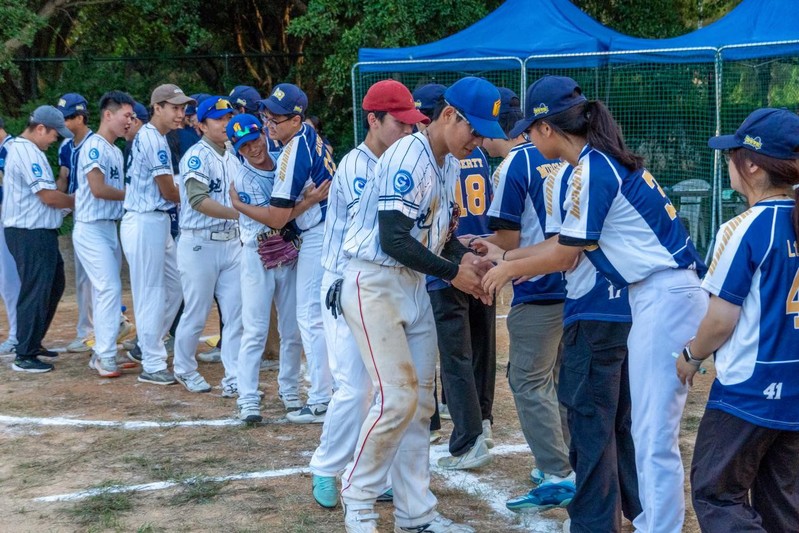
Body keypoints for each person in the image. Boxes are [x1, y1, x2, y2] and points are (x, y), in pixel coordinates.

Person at [479, 75, 707, 533]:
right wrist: (506, 258)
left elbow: (566, 255)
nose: (527, 138)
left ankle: (657, 526)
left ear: (547, 128)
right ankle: (650, 521)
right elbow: (568, 243)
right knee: (644, 430)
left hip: (664, 293)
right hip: (654, 294)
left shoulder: (590, 168)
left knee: (652, 434)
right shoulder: (595, 162)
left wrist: (506, 269)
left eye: (531, 129)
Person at [337, 76, 502, 533]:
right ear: (448, 115)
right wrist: (453, 273)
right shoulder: (409, 154)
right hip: (374, 281)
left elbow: (435, 237)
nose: (478, 141)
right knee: (396, 399)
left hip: (412, 282)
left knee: (420, 406)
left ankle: (416, 516)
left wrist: (464, 258)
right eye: (473, 129)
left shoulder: (448, 161)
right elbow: (392, 238)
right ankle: (358, 496)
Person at [677, 108, 799, 533]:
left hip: (750, 389)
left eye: (733, 154)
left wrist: (691, 355)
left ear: (751, 165)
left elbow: (720, 320)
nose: (728, 162)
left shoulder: (746, 227)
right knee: (782, 504)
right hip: (794, 387)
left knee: (716, 493)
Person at [309, 79, 428, 508]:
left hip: (384, 282)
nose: (408, 130)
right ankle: (326, 467)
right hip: (345, 278)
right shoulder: (357, 165)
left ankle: (372, 476)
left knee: (387, 386)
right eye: (399, 123)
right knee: (354, 385)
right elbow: (370, 236)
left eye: (412, 123)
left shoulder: (403, 159)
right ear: (373, 120)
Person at [480, 85, 575, 511]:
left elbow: (507, 240)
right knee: (558, 379)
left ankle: (557, 471)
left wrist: (476, 246)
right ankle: (569, 460)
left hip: (539, 285)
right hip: (576, 285)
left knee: (528, 380)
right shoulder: (571, 156)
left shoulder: (514, 164)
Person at [414, 82, 498, 471]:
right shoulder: (466, 155)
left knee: (454, 355)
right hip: (477, 253)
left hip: (449, 264)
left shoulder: (442, 155)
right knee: (479, 349)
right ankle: (481, 422)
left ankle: (463, 434)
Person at [227, 113, 323, 421]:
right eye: (244, 146)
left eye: (254, 139)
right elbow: (275, 219)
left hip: (288, 251)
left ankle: (289, 388)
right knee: (255, 329)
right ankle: (247, 397)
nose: (253, 148)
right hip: (258, 254)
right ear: (237, 150)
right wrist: (308, 202)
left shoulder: (283, 157)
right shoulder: (244, 178)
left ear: (263, 133)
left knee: (292, 328)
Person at [253, 83, 335, 423]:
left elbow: (276, 217)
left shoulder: (293, 151)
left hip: (320, 234)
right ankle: (331, 391)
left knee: (310, 316)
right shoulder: (310, 136)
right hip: (326, 230)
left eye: (276, 119)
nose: (269, 124)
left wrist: (239, 205)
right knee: (323, 315)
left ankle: (322, 399)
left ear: (296, 119)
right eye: (267, 116)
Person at [121, 84, 195, 385]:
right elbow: (168, 191)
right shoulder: (152, 138)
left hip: (156, 221)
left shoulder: (157, 137)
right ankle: (152, 363)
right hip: (144, 220)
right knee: (150, 293)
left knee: (177, 284)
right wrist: (200, 197)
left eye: (183, 108)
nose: (181, 114)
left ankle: (147, 344)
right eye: (175, 108)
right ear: (157, 108)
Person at [172, 96, 242, 396]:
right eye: (218, 119)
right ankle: (184, 369)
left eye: (228, 117)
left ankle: (235, 376)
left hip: (232, 244)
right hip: (199, 244)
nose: (225, 123)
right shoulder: (196, 156)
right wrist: (242, 214)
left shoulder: (233, 154)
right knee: (197, 312)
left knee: (236, 313)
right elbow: (198, 200)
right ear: (201, 125)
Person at [2, 106, 74, 372]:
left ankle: (32, 341)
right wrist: (79, 201)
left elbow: (48, 195)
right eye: (54, 133)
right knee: (36, 289)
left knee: (53, 284)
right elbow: (48, 196)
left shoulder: (31, 150)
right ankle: (25, 353)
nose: (55, 139)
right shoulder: (25, 151)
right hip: (29, 232)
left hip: (36, 231)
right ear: (41, 128)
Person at [74, 90, 136, 378]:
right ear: (108, 115)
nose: (130, 121)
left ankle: (102, 352)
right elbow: (98, 189)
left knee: (108, 290)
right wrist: (132, 194)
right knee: (108, 288)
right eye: (126, 115)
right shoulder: (94, 146)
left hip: (109, 227)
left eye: (132, 116)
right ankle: (105, 354)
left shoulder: (114, 149)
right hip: (91, 227)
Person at [56, 93, 95, 354]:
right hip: (78, 215)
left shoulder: (95, 143)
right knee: (83, 279)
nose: (63, 124)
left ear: (80, 117)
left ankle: (96, 330)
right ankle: (86, 330)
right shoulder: (65, 146)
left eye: (66, 119)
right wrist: (56, 205)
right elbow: (64, 178)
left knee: (97, 279)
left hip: (95, 216)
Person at [0, 116, 20, 355]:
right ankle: (17, 333)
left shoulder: (12, 149)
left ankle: (17, 334)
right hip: (5, 221)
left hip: (11, 222)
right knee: (6, 280)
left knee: (10, 279)